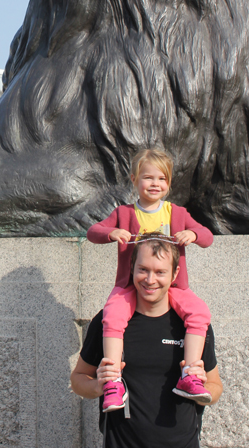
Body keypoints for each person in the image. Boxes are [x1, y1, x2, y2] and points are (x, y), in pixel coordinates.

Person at [87, 149, 213, 412]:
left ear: (168, 184)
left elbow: (207, 236)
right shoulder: (124, 212)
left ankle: (189, 374)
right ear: (134, 179)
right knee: (112, 315)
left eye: (162, 179)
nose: (155, 184)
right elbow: (93, 231)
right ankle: (113, 383)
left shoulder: (175, 212)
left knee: (199, 312)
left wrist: (192, 234)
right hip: (131, 285)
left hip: (171, 287)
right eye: (148, 177)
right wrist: (112, 232)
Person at [71, 236, 223, 448]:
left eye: (160, 272)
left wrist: (203, 388)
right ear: (132, 267)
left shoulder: (193, 326)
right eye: (143, 269)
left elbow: (216, 387)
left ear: (175, 274)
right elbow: (78, 379)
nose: (150, 280)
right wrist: (98, 386)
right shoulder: (108, 321)